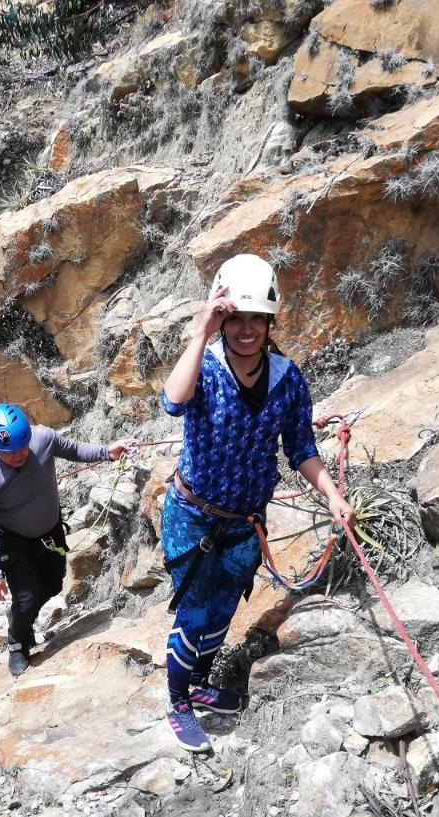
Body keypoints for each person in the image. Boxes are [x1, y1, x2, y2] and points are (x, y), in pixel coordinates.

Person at [159, 253, 357, 752]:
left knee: (223, 612)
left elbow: (302, 450)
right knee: (195, 614)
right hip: (193, 518)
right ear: (222, 319)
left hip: (246, 522)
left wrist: (333, 495)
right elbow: (173, 402)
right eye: (235, 318)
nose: (246, 329)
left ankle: (200, 682)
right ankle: (178, 702)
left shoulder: (288, 379)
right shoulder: (203, 366)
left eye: (256, 319)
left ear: (269, 322)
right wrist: (202, 331)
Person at [0, 403, 133, 676]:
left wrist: (107, 452)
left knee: (54, 585)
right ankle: (17, 641)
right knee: (25, 599)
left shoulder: (43, 438)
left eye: (23, 446)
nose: (20, 454)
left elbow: (74, 450)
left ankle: (22, 618)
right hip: (15, 541)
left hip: (51, 533)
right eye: (11, 453)